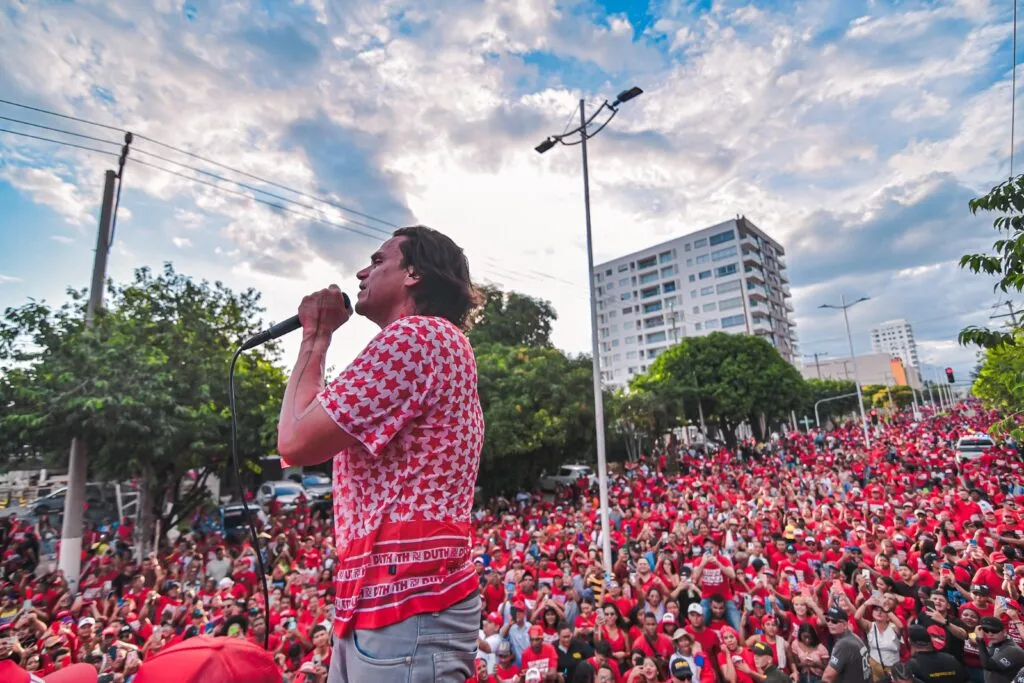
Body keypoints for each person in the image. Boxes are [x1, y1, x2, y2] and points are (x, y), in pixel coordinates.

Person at [275, 226, 485, 682]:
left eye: (377, 260)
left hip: (405, 605)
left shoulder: (417, 338)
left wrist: (316, 335)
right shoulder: (436, 343)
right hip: (390, 603)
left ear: (413, 273)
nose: (361, 271)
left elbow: (294, 439)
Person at [821, 607, 870, 683]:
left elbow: (828, 677)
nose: (830, 623)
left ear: (844, 625)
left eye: (834, 621)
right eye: (827, 620)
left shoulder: (844, 644)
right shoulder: (854, 637)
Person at [976, 616, 1024, 683]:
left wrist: (979, 640)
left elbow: (988, 665)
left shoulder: (1013, 650)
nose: (990, 634)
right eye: (986, 630)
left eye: (994, 631)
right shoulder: (994, 642)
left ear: (1004, 632)